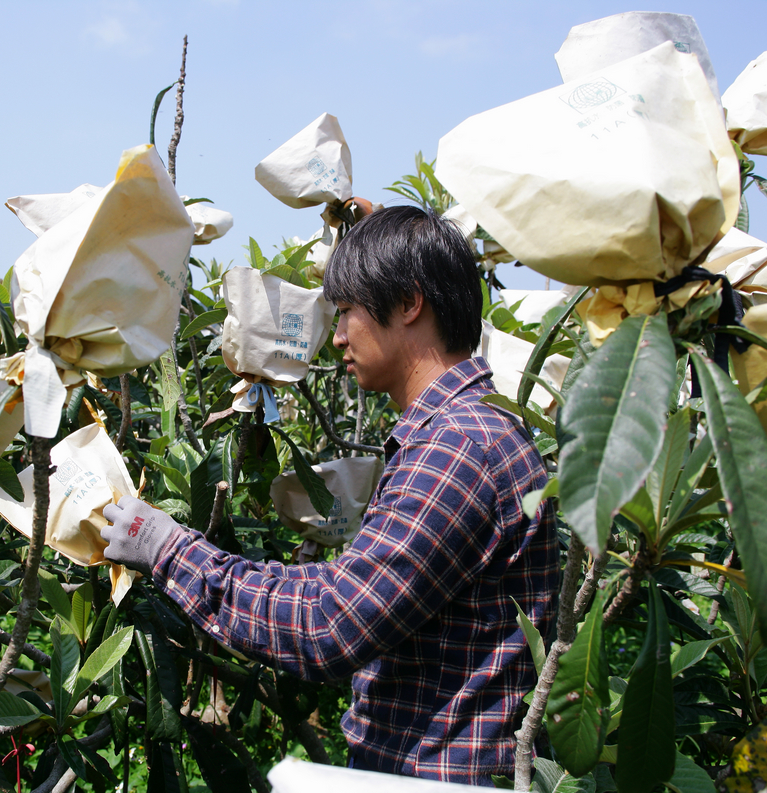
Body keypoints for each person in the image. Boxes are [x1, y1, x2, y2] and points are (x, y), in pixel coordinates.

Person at [102, 205, 558, 784]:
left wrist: (166, 549)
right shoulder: (472, 427)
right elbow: (355, 592)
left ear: (409, 302)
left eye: (345, 312)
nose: (337, 336)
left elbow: (329, 623)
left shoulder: (458, 444)